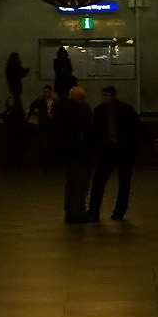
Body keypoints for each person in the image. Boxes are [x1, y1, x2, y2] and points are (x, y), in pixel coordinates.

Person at [86, 84, 144, 222]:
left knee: (122, 182)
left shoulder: (123, 110)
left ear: (113, 96)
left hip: (122, 150)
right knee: (100, 181)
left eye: (107, 95)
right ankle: (95, 211)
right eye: (103, 95)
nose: (104, 98)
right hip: (110, 150)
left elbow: (135, 129)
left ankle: (117, 212)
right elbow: (94, 132)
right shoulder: (103, 110)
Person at [55, 85, 94, 223]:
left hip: (69, 153)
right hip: (81, 153)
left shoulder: (62, 110)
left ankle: (70, 212)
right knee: (81, 184)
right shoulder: (82, 111)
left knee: (71, 184)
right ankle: (78, 212)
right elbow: (87, 131)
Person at [27, 83, 57, 168]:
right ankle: (46, 163)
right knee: (45, 145)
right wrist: (38, 99)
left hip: (52, 126)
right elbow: (32, 106)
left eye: (47, 92)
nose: (46, 94)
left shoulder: (55, 102)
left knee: (51, 145)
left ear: (51, 92)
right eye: (44, 92)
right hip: (44, 125)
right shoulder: (41, 101)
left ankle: (51, 163)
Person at [1, 92, 28, 167]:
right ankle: (12, 164)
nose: (10, 103)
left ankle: (18, 164)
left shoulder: (18, 112)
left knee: (17, 149)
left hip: (17, 133)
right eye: (9, 101)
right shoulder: (6, 113)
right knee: (11, 150)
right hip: (10, 134)